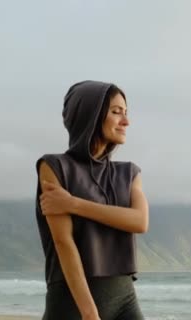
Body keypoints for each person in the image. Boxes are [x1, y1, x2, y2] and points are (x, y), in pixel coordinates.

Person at [34, 80, 149, 320]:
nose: (126, 122)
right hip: (70, 303)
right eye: (116, 112)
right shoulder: (54, 167)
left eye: (126, 113)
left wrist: (74, 204)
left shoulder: (129, 173)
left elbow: (139, 221)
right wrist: (89, 314)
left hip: (124, 299)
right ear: (91, 115)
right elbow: (63, 242)